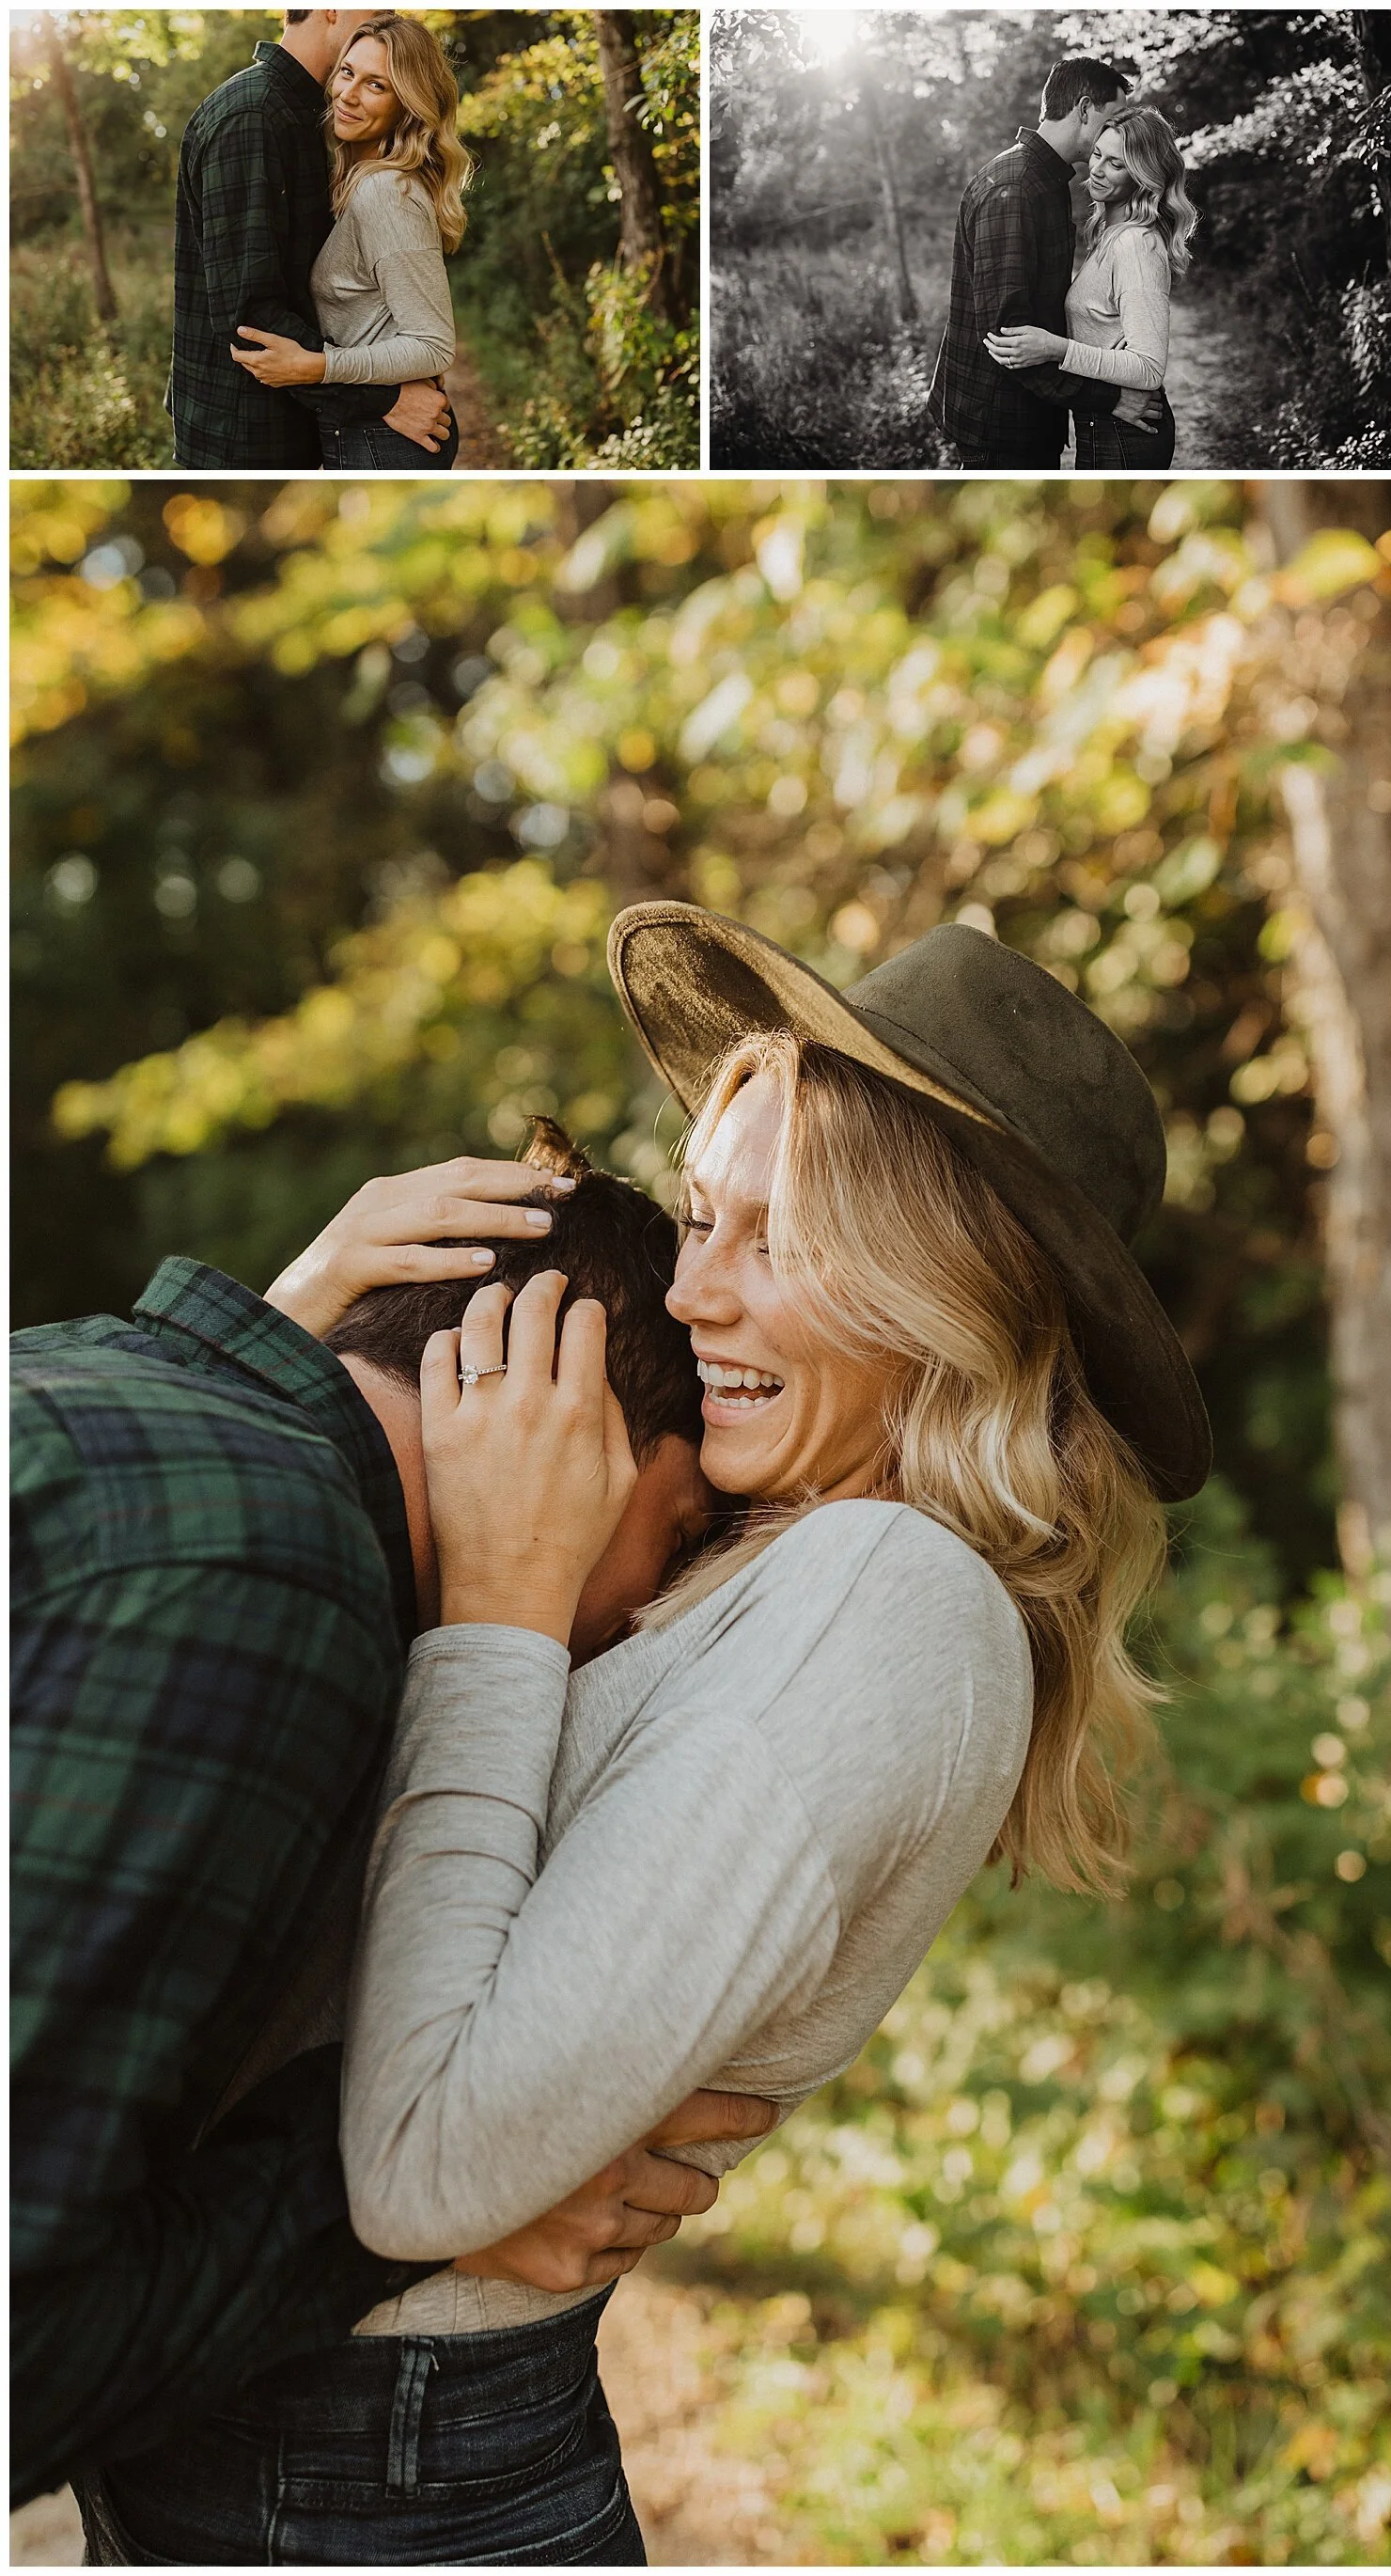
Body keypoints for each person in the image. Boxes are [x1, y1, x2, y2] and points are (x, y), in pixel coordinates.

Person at [86, 907, 1212, 2564]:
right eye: (698, 1218)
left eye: (780, 1237)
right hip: (272, 2423)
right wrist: (296, 1339)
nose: (691, 1290)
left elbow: (425, 2168)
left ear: (951, 1287)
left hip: (391, 2479)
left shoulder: (890, 1599)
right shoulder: (754, 1563)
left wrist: (498, 1611)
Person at [12, 1138, 770, 2519]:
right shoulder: (266, 1574)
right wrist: (432, 2180)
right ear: (560, 1412)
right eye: (677, 1536)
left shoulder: (76, 1382)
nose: (635, 1623)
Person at [167, 7, 451, 467]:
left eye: (376, 84)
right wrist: (384, 398)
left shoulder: (310, 120)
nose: (390, 14)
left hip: (305, 423)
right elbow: (252, 317)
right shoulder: (256, 115)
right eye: (380, 7)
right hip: (246, 430)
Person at [928, 56, 1161, 469]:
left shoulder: (1047, 180)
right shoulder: (1017, 187)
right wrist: (1109, 397)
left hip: (1028, 414)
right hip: (1002, 423)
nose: (1118, 129)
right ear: (1085, 109)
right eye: (1113, 116)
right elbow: (1009, 339)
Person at [983, 103, 1197, 470]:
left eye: (1116, 164)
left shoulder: (1136, 245)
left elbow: (1149, 367)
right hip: (1104, 423)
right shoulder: (1110, 234)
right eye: (1097, 154)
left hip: (1126, 432)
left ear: (1144, 176)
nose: (1096, 169)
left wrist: (1055, 348)